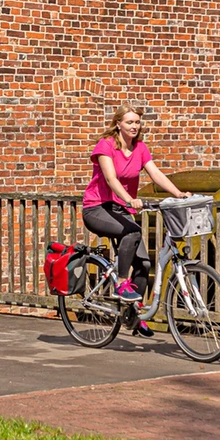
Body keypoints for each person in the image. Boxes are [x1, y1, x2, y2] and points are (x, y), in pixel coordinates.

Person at [81, 104, 190, 336]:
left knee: (144, 264)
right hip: (97, 208)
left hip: (120, 210)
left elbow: (156, 173)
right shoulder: (106, 146)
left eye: (137, 122)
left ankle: (134, 315)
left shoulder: (140, 148)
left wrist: (178, 193)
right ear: (118, 124)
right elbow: (111, 179)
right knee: (131, 232)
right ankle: (121, 283)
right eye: (129, 122)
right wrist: (130, 199)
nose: (134, 126)